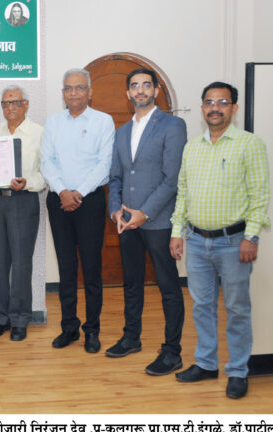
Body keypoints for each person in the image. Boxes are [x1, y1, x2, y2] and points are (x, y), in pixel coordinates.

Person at [170, 81, 270, 399]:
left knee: (237, 308)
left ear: (234, 108)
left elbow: (260, 195)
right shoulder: (192, 147)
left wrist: (251, 237)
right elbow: (183, 193)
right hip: (197, 241)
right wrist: (177, 232)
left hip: (233, 242)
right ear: (202, 108)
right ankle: (206, 363)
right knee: (202, 306)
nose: (215, 107)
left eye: (222, 102)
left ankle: (238, 371)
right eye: (209, 102)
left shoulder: (249, 144)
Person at [106, 68, 187, 376]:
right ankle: (131, 337)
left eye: (146, 85)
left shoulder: (172, 125)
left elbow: (171, 179)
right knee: (131, 282)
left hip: (158, 222)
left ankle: (172, 351)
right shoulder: (122, 131)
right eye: (135, 86)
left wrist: (145, 212)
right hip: (126, 222)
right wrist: (116, 209)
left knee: (168, 286)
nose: (140, 90)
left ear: (156, 90)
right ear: (128, 93)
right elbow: (116, 176)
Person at [40, 68, 114, 353]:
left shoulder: (103, 122)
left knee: (92, 269)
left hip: (90, 202)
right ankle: (68, 327)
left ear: (89, 91)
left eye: (79, 88)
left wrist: (79, 193)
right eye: (68, 88)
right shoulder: (53, 122)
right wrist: (63, 192)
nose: (73, 93)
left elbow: (104, 164)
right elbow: (47, 161)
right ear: (63, 93)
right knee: (66, 268)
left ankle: (92, 331)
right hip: (59, 201)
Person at [0, 85, 45, 342]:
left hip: (23, 200)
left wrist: (28, 181)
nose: (10, 107)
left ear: (26, 104)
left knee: (21, 264)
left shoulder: (39, 133)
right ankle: (1, 317)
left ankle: (20, 319)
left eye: (15, 102)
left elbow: (47, 172)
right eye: (6, 103)